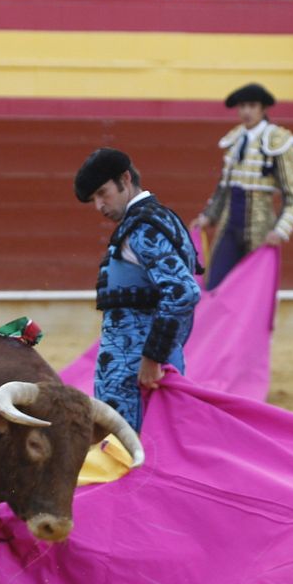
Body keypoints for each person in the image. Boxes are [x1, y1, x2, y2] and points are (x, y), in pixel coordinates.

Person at [74, 147, 200, 431]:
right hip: (139, 368)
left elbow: (182, 292)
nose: (99, 206)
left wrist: (153, 357)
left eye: (103, 193)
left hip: (136, 374)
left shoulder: (143, 229)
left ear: (125, 179)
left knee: (132, 454)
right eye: (93, 199)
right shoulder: (160, 219)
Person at [190, 84, 293, 293]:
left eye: (252, 106)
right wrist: (208, 217)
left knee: (254, 291)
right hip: (229, 224)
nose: (246, 111)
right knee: (215, 285)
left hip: (260, 227)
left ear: (263, 108)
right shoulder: (235, 138)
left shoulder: (278, 141)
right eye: (242, 106)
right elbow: (224, 187)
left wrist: (280, 230)